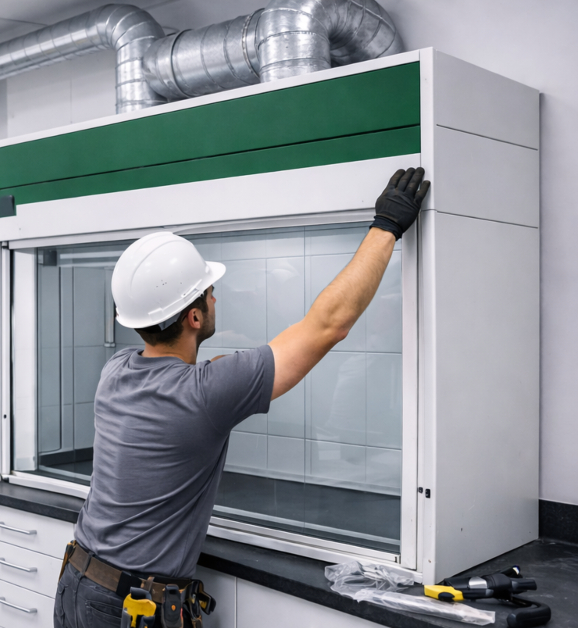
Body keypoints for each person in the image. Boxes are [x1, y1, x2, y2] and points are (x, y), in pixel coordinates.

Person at [53, 168, 430, 628]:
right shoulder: (206, 394)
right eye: (210, 294)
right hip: (128, 609)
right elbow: (328, 325)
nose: (217, 298)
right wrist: (387, 226)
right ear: (194, 317)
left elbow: (187, 377)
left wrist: (221, 346)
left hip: (78, 583)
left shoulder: (117, 371)